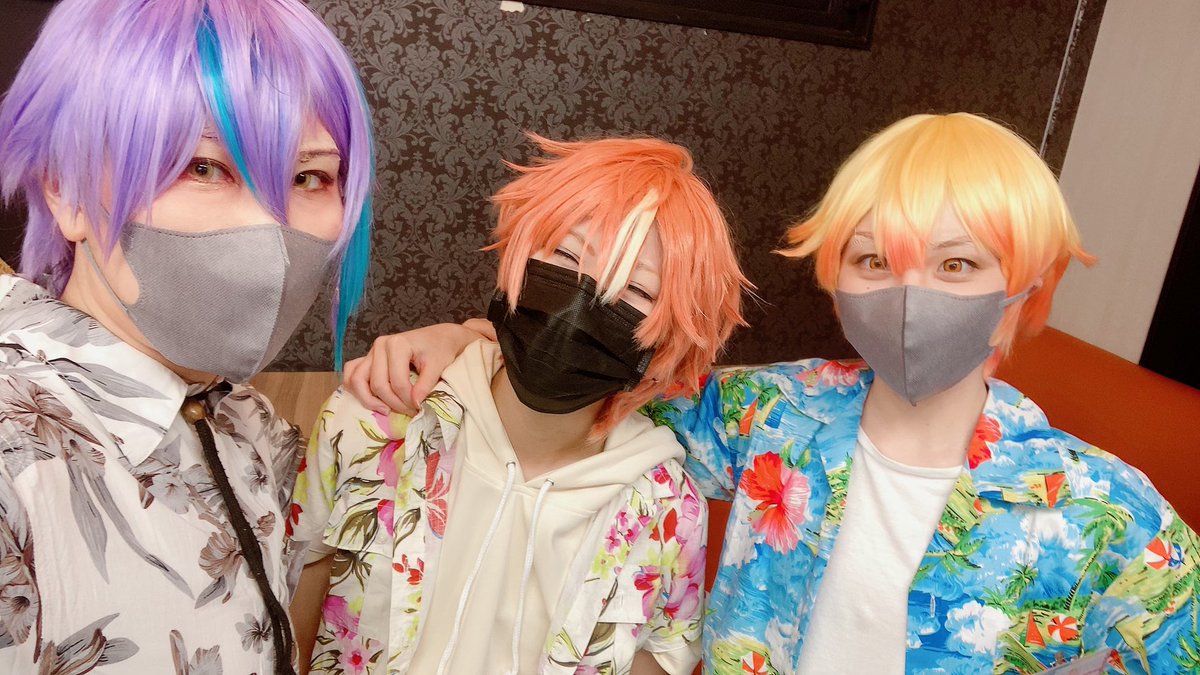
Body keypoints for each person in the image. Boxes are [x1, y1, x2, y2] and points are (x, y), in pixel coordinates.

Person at [345, 113, 1200, 674]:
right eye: (875, 259)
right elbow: (602, 367)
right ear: (835, 278)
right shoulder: (771, 414)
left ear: (1027, 286)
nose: (911, 294)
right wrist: (470, 336)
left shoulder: (1107, 512)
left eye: (957, 263)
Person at [0, 1, 373, 672]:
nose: (272, 233)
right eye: (204, 167)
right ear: (68, 189)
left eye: (308, 177)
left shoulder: (248, 419)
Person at [287, 135, 748, 675]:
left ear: (668, 339)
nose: (584, 302)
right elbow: (297, 583)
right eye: (568, 255)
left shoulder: (669, 507)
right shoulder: (372, 418)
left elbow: (664, 656)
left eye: (637, 293)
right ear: (519, 251)